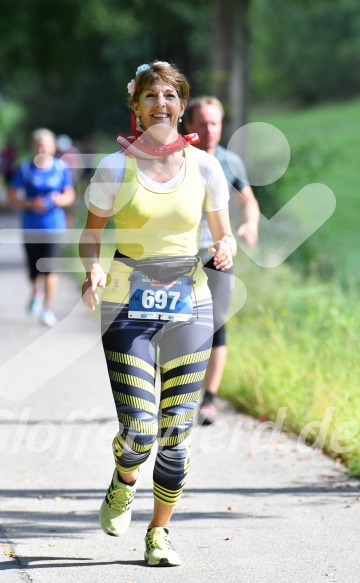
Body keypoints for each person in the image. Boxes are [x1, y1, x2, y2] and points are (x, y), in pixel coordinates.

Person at [79, 61, 237, 567]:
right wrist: (94, 271)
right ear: (136, 107)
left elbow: (222, 230)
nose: (161, 105)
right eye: (151, 97)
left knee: (175, 435)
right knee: (141, 432)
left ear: (181, 105)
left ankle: (159, 535)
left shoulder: (206, 167)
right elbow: (91, 234)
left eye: (170, 96)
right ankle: (124, 479)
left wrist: (226, 247)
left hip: (190, 305)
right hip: (127, 305)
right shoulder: (113, 168)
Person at [184, 96, 260, 425]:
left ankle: (209, 400)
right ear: (189, 126)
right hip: (180, 254)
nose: (209, 130)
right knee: (176, 324)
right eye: (202, 123)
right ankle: (173, 394)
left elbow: (249, 202)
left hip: (218, 252)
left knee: (217, 323)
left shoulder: (230, 163)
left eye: (214, 123)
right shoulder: (178, 159)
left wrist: (249, 223)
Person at [8, 128, 75, 326]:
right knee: (33, 269)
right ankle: (36, 291)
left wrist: (58, 199)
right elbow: (11, 196)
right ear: (33, 147)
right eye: (39, 145)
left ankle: (47, 308)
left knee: (49, 268)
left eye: (46, 145)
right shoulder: (24, 168)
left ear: (53, 147)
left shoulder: (61, 168)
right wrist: (29, 204)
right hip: (30, 226)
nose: (42, 149)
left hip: (53, 226)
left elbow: (69, 195)